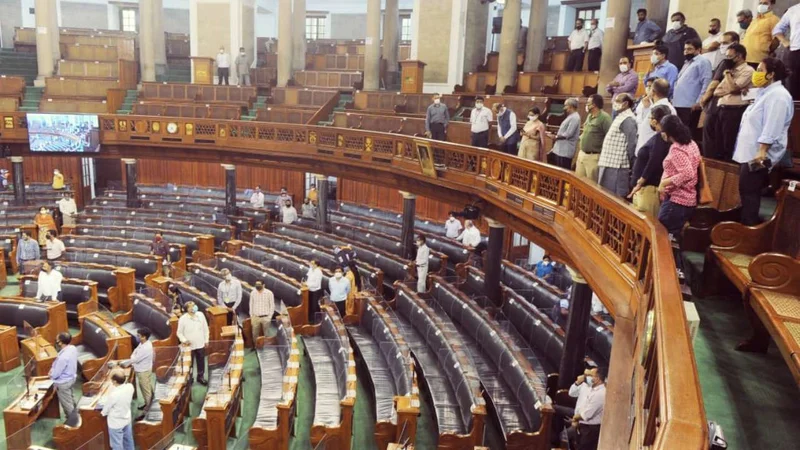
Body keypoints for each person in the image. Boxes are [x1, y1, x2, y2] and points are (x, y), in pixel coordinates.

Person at [733, 57, 794, 226]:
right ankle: (745, 226)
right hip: (749, 151)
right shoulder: (763, 92)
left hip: (758, 154)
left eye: (760, 70)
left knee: (750, 192)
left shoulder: (779, 96)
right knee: (745, 191)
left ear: (771, 74)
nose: (756, 74)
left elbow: (772, 126)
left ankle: (749, 229)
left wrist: (762, 151)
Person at [657, 116, 701, 241]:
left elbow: (688, 173)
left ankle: (673, 261)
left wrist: (664, 183)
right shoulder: (691, 143)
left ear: (666, 133)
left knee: (665, 239)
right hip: (686, 199)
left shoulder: (677, 148)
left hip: (677, 201)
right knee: (672, 238)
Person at [699, 32, 742, 157]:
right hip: (724, 107)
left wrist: (704, 98)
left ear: (735, 43)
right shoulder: (733, 62)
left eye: (725, 43)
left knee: (711, 142)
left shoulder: (726, 62)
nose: (722, 46)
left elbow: (714, 83)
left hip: (716, 106)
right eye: (721, 43)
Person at [712, 44, 755, 161]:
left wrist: (727, 75)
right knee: (719, 143)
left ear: (739, 56)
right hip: (722, 109)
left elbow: (732, 88)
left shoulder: (748, 70)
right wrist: (734, 89)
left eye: (730, 56)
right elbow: (716, 92)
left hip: (735, 111)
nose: (727, 60)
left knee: (729, 143)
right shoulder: (731, 71)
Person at [628, 105, 673, 217]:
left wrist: (640, 182)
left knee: (646, 224)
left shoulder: (661, 138)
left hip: (649, 190)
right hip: (645, 189)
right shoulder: (661, 137)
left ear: (654, 121)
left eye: (650, 118)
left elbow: (654, 161)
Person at [597, 94, 637, 198]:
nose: (614, 103)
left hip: (617, 166)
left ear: (626, 104)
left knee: (614, 198)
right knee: (603, 196)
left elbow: (631, 144)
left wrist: (631, 164)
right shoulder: (620, 116)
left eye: (618, 101)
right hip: (609, 162)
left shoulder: (628, 119)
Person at [673, 39, 713, 129]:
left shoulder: (703, 61)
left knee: (688, 133)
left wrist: (699, 101)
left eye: (690, 49)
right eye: (685, 49)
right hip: (678, 103)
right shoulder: (687, 63)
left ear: (698, 50)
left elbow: (706, 81)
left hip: (690, 105)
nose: (686, 52)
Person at [567, 367, 607, 450]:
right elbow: (571, 393)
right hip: (580, 421)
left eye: (590, 375)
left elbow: (586, 415)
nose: (586, 377)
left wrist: (574, 420)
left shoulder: (600, 394)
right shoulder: (588, 386)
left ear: (598, 378)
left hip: (589, 428)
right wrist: (578, 382)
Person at [576, 94, 612, 182]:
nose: (586, 105)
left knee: (591, 184)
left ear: (594, 105)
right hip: (582, 155)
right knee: (578, 182)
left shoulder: (605, 118)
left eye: (588, 103)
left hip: (593, 157)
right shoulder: (590, 116)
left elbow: (609, 137)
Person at [636, 78, 676, 155]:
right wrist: (646, 108)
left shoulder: (660, 108)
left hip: (651, 152)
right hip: (649, 150)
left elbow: (658, 131)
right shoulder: (669, 107)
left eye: (650, 88)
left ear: (653, 92)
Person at [122, 328, 154, 416]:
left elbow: (135, 359)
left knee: (146, 389)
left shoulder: (146, 347)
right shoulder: (143, 343)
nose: (137, 337)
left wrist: (124, 363)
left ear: (144, 337)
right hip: (142, 369)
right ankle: (147, 403)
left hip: (143, 371)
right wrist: (132, 357)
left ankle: (149, 409)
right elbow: (134, 352)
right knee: (144, 388)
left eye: (139, 336)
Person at [101, 370, 135, 450]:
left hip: (116, 423)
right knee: (128, 440)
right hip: (127, 419)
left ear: (115, 381)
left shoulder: (114, 394)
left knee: (117, 444)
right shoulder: (130, 387)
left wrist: (103, 413)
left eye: (112, 380)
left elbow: (106, 409)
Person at [49, 332, 78, 424]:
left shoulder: (63, 358)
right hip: (71, 378)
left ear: (60, 342)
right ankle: (76, 415)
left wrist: (51, 373)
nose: (56, 340)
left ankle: (72, 424)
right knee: (71, 399)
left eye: (57, 339)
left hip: (63, 383)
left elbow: (56, 374)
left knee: (67, 404)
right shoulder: (73, 348)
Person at [177, 301, 209, 385]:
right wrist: (184, 340)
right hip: (189, 346)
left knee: (201, 362)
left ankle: (200, 377)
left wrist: (206, 340)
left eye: (194, 305)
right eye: (190, 307)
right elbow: (179, 333)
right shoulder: (183, 319)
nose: (193, 308)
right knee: (189, 363)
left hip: (200, 343)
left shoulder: (201, 315)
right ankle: (190, 378)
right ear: (187, 309)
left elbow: (205, 329)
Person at [773, 2, 800, 99]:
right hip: (796, 51)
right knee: (794, 85)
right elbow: (777, 29)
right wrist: (784, 41)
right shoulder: (793, 10)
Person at [742, 0, 780, 68]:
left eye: (765, 3)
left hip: (759, 60)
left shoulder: (774, 20)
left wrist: (768, 50)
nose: (762, 5)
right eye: (760, 3)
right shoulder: (755, 20)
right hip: (745, 58)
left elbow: (776, 39)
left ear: (772, 5)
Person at [548, 98, 581, 169]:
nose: (564, 108)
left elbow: (568, 134)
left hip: (565, 151)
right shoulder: (570, 116)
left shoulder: (575, 117)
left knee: (563, 172)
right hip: (559, 150)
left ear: (570, 106)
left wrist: (555, 137)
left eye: (565, 105)